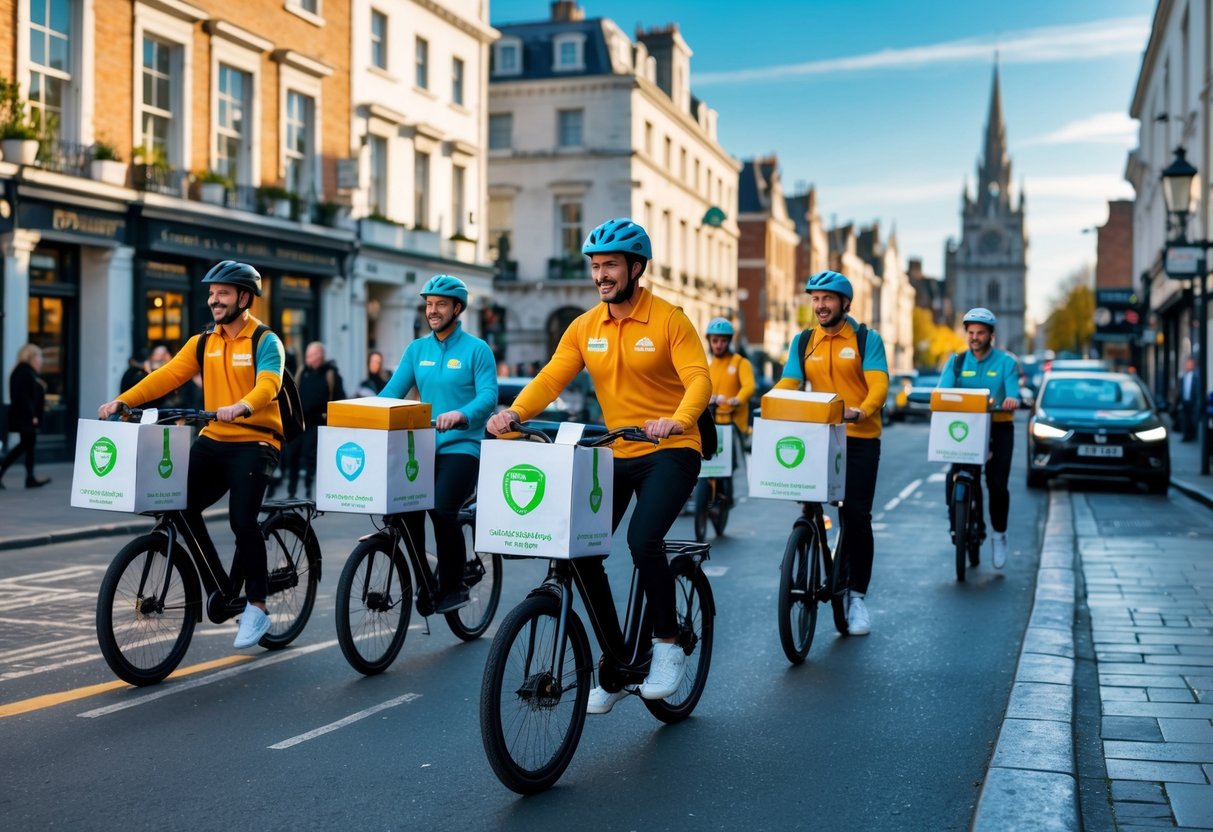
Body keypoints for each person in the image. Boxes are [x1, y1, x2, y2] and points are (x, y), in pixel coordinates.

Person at [487, 218, 711, 712]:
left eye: (610, 265)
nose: (601, 275)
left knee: (641, 540)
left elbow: (699, 379)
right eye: (595, 266)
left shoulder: (670, 319)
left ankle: (667, 645)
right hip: (616, 451)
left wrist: (677, 419)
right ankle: (615, 659)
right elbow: (550, 378)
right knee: (579, 547)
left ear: (636, 268)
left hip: (672, 450)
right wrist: (515, 413)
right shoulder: (585, 327)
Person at [98, 260, 286, 650]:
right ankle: (220, 586)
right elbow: (166, 375)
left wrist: (244, 406)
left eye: (223, 293)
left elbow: (270, 383)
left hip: (255, 440)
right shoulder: (205, 341)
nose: (214, 300)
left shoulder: (264, 340)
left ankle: (256, 605)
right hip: (214, 437)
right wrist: (123, 400)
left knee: (242, 520)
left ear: (245, 298)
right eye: (212, 293)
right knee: (176, 501)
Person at [774, 270, 888, 636]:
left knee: (855, 515)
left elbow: (879, 384)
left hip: (859, 436)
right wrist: (774, 403)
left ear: (845, 303)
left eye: (827, 299)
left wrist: (862, 410)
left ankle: (856, 598)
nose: (820, 306)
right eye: (816, 299)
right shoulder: (804, 340)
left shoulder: (865, 338)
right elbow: (790, 380)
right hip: (819, 433)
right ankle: (808, 538)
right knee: (809, 502)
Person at [379, 275, 497, 613]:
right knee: (404, 508)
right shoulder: (417, 349)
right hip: (425, 445)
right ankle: (425, 582)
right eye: (429, 304)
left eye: (440, 304)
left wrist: (461, 414)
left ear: (457, 308)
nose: (433, 310)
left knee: (443, 509)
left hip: (463, 446)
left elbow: (488, 396)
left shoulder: (477, 349)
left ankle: (453, 585)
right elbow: (392, 392)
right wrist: (361, 413)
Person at [937, 308, 1020, 569]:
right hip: (967, 427)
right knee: (955, 474)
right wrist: (936, 398)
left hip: (999, 428)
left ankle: (999, 535)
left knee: (997, 485)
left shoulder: (1006, 362)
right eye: (971, 332)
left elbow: (1014, 391)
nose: (974, 337)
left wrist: (1012, 399)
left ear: (991, 335)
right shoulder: (957, 362)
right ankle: (956, 526)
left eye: (980, 332)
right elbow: (943, 391)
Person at [285, 341, 345, 499]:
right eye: (307, 355)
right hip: (300, 423)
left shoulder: (331, 374)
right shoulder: (302, 372)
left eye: (311, 355)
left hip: (318, 423)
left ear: (320, 355)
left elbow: (339, 399)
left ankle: (308, 491)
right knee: (293, 454)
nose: (307, 358)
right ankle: (291, 492)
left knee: (310, 455)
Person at [705, 316, 755, 488]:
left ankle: (729, 490)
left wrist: (737, 399)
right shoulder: (709, 366)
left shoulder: (740, 362)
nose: (718, 344)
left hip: (734, 424)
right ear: (709, 341)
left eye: (723, 341)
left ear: (729, 341)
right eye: (715, 340)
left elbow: (749, 386)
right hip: (714, 422)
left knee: (730, 463)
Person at [0, 344, 51, 489]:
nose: (41, 360)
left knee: (27, 446)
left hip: (25, 416)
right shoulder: (23, 372)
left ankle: (30, 477)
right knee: (25, 445)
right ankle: (28, 478)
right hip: (26, 417)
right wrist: (32, 415)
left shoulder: (25, 372)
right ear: (32, 357)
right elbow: (23, 398)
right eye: (39, 356)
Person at [1177, 356, 1199, 443]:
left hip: (1193, 402)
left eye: (1190, 364)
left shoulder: (1196, 376)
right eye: (1187, 364)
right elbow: (1180, 389)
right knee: (1184, 419)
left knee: (1192, 420)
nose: (1188, 366)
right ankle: (1185, 436)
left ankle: (1192, 436)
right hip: (1185, 401)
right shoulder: (1183, 376)